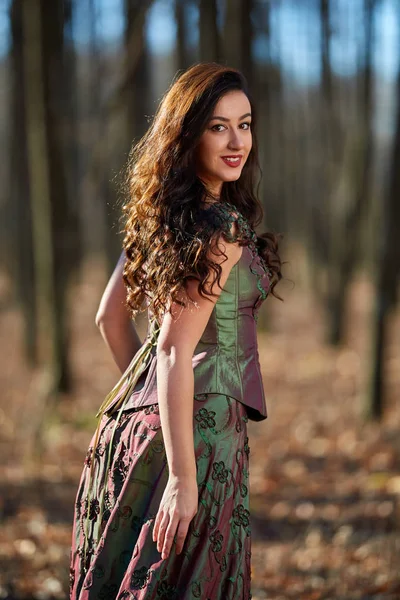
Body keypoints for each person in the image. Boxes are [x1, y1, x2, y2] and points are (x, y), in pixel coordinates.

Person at [69, 62, 282, 600]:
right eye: (218, 126)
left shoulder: (160, 218)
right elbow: (171, 348)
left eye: (246, 124)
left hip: (144, 434)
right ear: (188, 136)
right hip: (205, 438)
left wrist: (158, 412)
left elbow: (109, 321)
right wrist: (184, 475)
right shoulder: (221, 228)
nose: (238, 142)